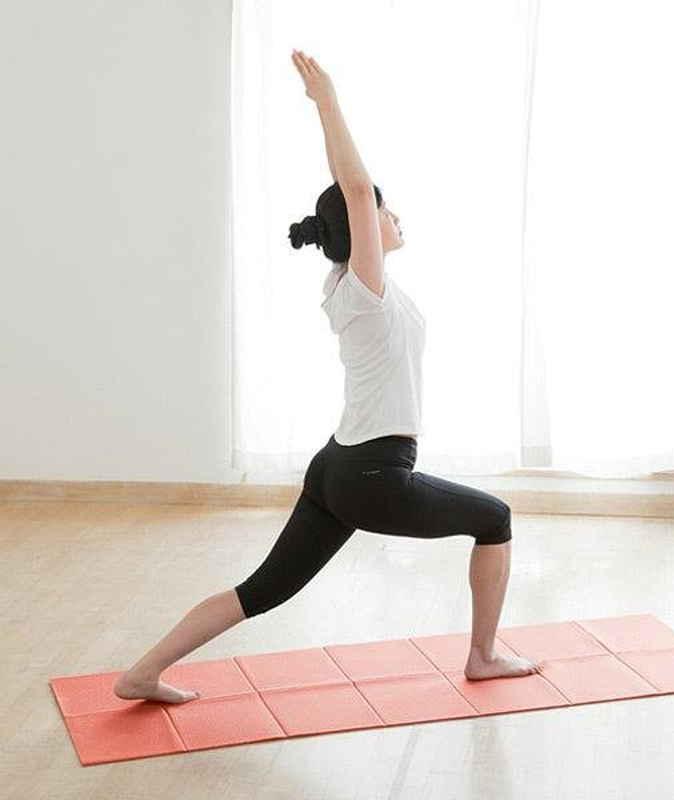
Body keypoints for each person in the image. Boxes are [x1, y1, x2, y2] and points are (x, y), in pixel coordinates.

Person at [113, 49, 537, 705]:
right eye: (385, 212)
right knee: (496, 518)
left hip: (336, 468)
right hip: (374, 475)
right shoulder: (364, 290)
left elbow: (353, 201)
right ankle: (482, 656)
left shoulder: (345, 284)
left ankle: (141, 673)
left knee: (261, 590)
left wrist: (336, 144)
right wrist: (327, 104)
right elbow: (357, 191)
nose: (393, 217)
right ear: (361, 227)